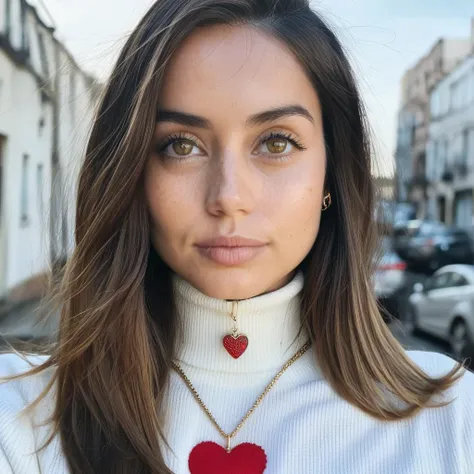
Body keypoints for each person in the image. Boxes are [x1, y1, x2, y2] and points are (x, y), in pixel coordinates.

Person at [0, 0, 473, 473]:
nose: (229, 197)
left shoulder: (453, 422)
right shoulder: (20, 420)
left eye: (276, 143)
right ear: (133, 173)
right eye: (181, 146)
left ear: (331, 174)